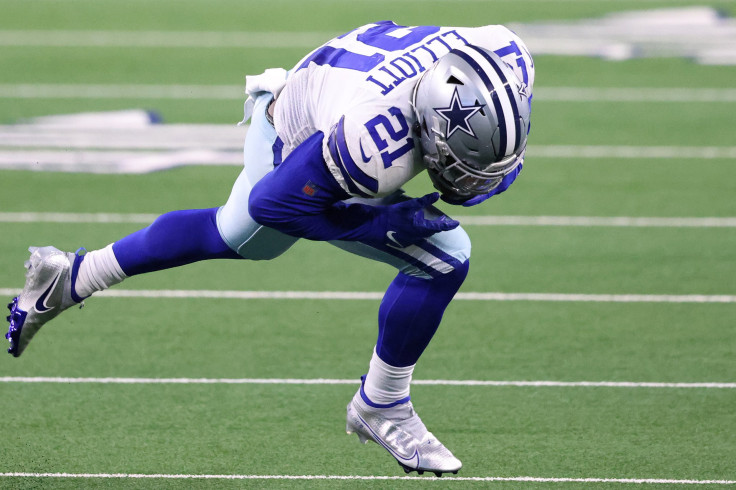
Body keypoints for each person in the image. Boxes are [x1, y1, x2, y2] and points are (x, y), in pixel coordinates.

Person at [6, 21, 533, 476]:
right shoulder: (376, 145)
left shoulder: (503, 53)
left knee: (225, 233)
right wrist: (377, 222)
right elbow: (274, 205)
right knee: (442, 255)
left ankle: (70, 276)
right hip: (293, 142)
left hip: (335, 86)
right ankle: (383, 403)